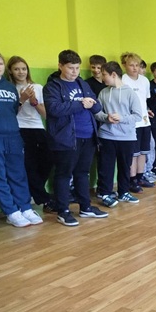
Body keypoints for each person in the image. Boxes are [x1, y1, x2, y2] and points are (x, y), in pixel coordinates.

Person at [44, 49, 108, 227]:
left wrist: (93, 105)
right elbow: (54, 109)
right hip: (66, 138)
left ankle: (85, 207)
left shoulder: (82, 83)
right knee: (63, 174)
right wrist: (80, 104)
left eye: (77, 68)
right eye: (70, 68)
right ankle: (63, 211)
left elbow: (96, 105)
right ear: (60, 66)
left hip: (88, 135)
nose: (74, 72)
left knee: (82, 173)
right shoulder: (53, 86)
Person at [0, 51, 43, 227]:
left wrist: (22, 100)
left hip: (14, 136)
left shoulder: (9, 87)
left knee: (18, 174)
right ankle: (11, 212)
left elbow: (13, 110)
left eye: (0, 63)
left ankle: (25, 207)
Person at [7, 55, 55, 212]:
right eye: (16, 69)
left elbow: (45, 115)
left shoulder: (38, 87)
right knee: (29, 165)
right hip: (19, 129)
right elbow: (9, 114)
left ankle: (35, 191)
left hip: (38, 128)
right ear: (10, 71)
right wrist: (21, 99)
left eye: (23, 68)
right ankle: (44, 199)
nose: (21, 72)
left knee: (49, 159)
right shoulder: (9, 89)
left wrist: (34, 102)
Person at [94, 61, 142, 207]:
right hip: (106, 136)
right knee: (106, 167)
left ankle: (123, 192)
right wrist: (106, 117)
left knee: (125, 166)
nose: (102, 77)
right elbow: (97, 113)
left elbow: (137, 116)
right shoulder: (103, 92)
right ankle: (105, 194)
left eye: (104, 74)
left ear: (113, 74)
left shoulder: (130, 93)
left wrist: (122, 118)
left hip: (127, 137)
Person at [121, 52, 155, 192]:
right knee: (133, 154)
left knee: (143, 152)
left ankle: (140, 177)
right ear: (125, 66)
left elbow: (144, 100)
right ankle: (132, 179)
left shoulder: (144, 80)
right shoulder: (123, 80)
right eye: (131, 65)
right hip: (131, 123)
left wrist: (146, 111)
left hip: (144, 122)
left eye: (137, 65)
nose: (135, 68)